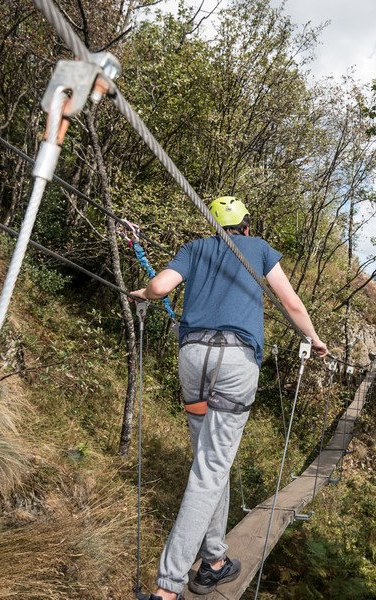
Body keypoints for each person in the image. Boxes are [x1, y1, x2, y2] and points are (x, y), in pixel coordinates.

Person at [130, 196, 327, 599]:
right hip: (234, 362)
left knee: (208, 463)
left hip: (194, 359)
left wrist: (144, 293)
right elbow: (289, 302)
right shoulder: (258, 249)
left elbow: (161, 286)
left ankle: (215, 561)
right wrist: (313, 338)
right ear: (247, 227)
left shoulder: (195, 248)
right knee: (210, 470)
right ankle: (167, 587)